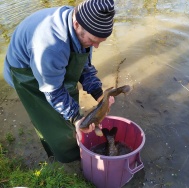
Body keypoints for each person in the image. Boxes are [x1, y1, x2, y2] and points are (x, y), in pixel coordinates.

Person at [3, 0, 115, 163]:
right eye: (93, 40)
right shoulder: (50, 47)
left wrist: (99, 94)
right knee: (51, 120)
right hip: (26, 73)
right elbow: (54, 91)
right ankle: (66, 160)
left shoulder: (83, 23)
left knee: (67, 108)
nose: (96, 46)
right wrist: (76, 117)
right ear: (76, 25)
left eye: (100, 41)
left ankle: (76, 144)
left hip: (49, 64)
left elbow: (84, 65)